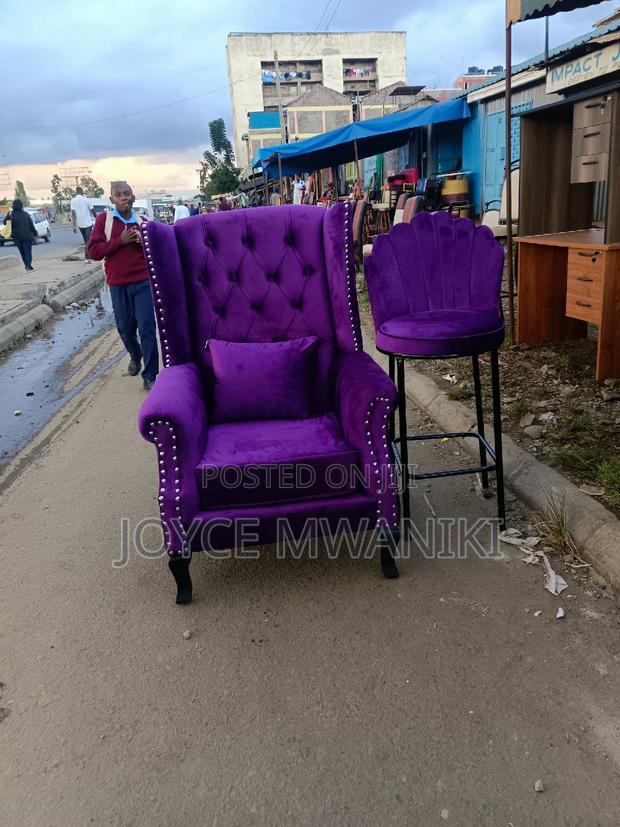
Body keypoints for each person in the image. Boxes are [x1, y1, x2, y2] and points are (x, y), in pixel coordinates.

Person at [88, 181, 159, 391]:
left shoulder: (143, 221)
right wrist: (121, 240)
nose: (123, 197)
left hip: (143, 283)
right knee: (126, 329)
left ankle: (150, 374)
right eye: (118, 195)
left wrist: (144, 243)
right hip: (118, 285)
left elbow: (156, 251)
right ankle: (135, 354)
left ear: (133, 197)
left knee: (147, 327)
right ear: (112, 200)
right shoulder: (104, 221)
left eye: (127, 194)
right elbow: (93, 252)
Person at [2, 200, 36, 271]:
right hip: (27, 236)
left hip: (16, 236)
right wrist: (35, 232)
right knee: (28, 251)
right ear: (21, 205)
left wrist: (9, 218)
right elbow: (31, 225)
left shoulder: (11, 214)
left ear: (13, 205)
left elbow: (4, 222)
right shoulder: (26, 214)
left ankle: (27, 265)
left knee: (22, 252)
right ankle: (28, 265)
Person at [70, 186, 95, 262]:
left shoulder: (73, 201)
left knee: (86, 241)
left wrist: (74, 226)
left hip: (80, 224)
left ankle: (89, 256)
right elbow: (93, 211)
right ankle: (87, 257)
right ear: (82, 192)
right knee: (88, 241)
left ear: (76, 192)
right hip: (88, 223)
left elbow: (73, 214)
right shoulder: (86, 200)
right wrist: (98, 218)